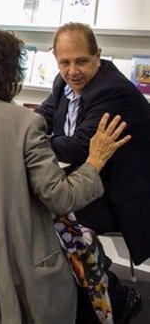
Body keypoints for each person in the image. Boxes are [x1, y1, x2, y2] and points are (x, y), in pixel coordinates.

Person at [0, 29, 130, 324]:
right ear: (11, 72)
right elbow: (60, 197)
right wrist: (95, 160)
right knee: (81, 243)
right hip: (17, 262)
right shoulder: (26, 124)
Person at [36, 22, 149, 322]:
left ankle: (114, 297)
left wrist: (37, 141)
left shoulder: (113, 92)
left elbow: (77, 147)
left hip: (121, 193)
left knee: (58, 220)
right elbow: (42, 117)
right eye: (65, 62)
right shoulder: (64, 84)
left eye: (81, 61)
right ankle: (92, 296)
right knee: (45, 213)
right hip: (89, 179)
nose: (73, 70)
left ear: (98, 55)